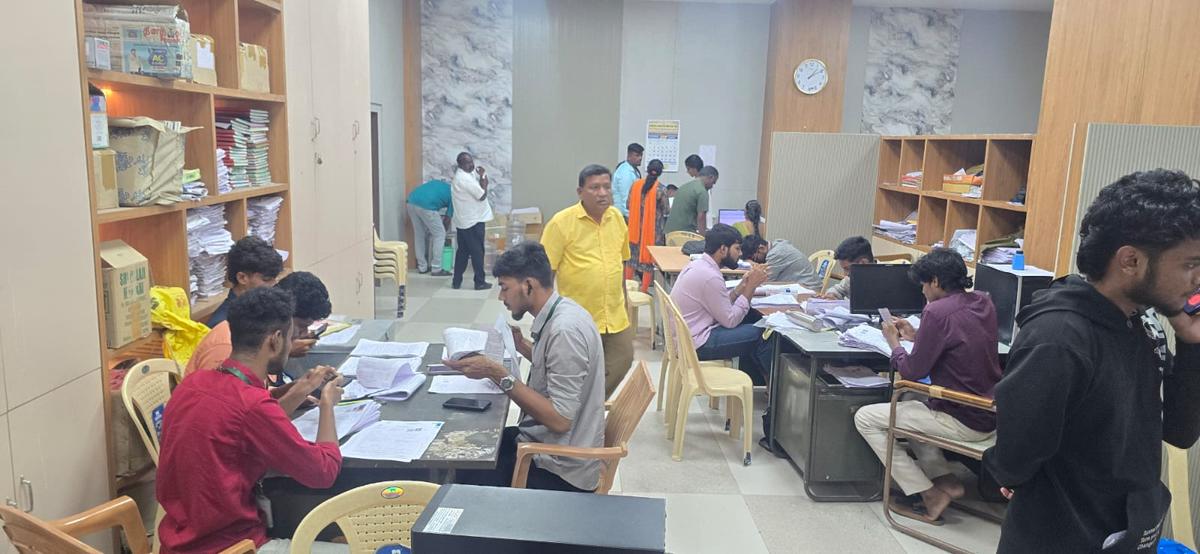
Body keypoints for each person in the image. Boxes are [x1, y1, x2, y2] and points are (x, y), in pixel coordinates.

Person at [982, 170, 1200, 553]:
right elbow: (1015, 459)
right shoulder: (1059, 337)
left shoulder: (1142, 321)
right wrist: (1005, 472)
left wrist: (1191, 343)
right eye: (1190, 264)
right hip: (1060, 538)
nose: (1197, 279)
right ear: (1130, 260)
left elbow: (1180, 432)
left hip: (1128, 528)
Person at [157, 287, 344, 553]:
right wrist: (327, 404)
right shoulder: (252, 405)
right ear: (275, 340)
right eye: (291, 337)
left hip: (178, 540)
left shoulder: (193, 383)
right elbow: (324, 472)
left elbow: (237, 413)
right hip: (233, 546)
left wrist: (297, 388)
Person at [853, 248, 1002, 523]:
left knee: (866, 418)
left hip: (961, 417)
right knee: (910, 400)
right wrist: (917, 335)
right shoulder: (983, 301)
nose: (922, 290)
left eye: (923, 284)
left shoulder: (936, 311)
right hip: (990, 413)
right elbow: (958, 339)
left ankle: (929, 494)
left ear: (935, 281)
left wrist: (894, 343)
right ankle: (945, 481)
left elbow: (911, 371)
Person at [449, 242, 605, 492]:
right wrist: (521, 345)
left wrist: (498, 373)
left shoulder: (565, 331)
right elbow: (557, 366)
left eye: (504, 288)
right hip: (546, 445)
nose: (501, 297)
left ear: (528, 285)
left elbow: (560, 420)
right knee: (470, 450)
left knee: (463, 479)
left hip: (559, 468)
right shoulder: (563, 310)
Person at [542, 164, 634, 398]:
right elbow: (545, 273)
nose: (602, 193)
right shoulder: (561, 222)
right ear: (580, 192)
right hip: (578, 318)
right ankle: (576, 411)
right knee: (577, 372)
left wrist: (625, 304)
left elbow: (621, 263)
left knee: (623, 359)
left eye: (606, 187)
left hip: (614, 314)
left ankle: (586, 407)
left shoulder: (617, 219)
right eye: (594, 187)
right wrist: (545, 318)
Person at [185, 272, 334, 415]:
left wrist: (297, 391)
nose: (304, 333)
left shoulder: (254, 343)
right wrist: (323, 402)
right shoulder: (226, 347)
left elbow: (254, 399)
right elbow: (236, 413)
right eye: (301, 326)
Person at [671, 224, 771, 383]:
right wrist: (751, 287)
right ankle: (769, 388)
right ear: (723, 249)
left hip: (689, 336)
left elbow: (719, 306)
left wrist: (742, 286)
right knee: (763, 333)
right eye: (737, 249)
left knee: (752, 320)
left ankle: (756, 384)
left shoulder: (698, 265)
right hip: (696, 344)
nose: (740, 254)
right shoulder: (710, 276)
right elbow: (730, 320)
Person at [206, 236, 284, 328]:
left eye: (275, 278)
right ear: (242, 278)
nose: (274, 284)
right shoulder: (222, 325)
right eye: (266, 279)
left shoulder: (267, 306)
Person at [450, 151, 493, 290]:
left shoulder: (465, 175)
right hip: (473, 221)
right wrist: (485, 181)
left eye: (471, 161)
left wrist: (481, 176)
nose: (471, 165)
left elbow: (477, 187)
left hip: (464, 221)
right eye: (467, 163)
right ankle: (479, 282)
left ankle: (456, 281)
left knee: (463, 252)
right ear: (460, 164)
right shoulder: (464, 179)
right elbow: (482, 195)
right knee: (477, 252)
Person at [627, 159, 669, 292]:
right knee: (648, 262)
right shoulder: (661, 189)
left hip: (634, 230)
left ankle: (627, 288)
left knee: (631, 259)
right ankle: (644, 290)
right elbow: (666, 210)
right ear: (660, 172)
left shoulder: (635, 185)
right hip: (652, 232)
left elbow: (628, 205)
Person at [407, 179, 454, 276]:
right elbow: (447, 220)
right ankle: (436, 268)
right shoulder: (455, 196)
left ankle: (422, 267)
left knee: (419, 235)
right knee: (440, 235)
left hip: (411, 201)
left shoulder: (444, 186)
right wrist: (444, 233)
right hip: (427, 206)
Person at [740, 235, 823, 291]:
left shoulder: (776, 254)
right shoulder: (777, 245)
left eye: (754, 258)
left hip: (808, 289)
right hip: (803, 285)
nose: (756, 261)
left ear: (761, 248)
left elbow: (764, 280)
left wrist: (752, 265)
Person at [664, 165, 719, 234]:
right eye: (713, 183)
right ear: (711, 177)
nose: (712, 186)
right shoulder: (702, 191)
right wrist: (703, 236)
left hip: (669, 232)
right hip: (684, 234)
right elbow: (701, 217)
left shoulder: (683, 187)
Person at [611, 142, 644, 219]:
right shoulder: (625, 173)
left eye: (641, 155)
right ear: (629, 156)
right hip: (623, 216)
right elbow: (625, 199)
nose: (640, 158)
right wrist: (631, 218)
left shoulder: (633, 170)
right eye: (637, 155)